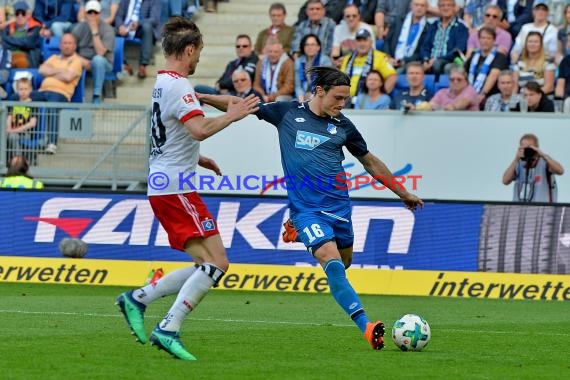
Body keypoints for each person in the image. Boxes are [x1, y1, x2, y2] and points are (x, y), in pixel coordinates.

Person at [200, 66, 424, 351]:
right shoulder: (287, 113)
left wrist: (402, 192)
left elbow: (371, 162)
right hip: (306, 210)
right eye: (338, 98)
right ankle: (366, 326)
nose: (342, 104)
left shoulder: (342, 126)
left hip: (340, 210)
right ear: (320, 91)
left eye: (346, 99)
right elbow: (241, 105)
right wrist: (201, 98)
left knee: (343, 265)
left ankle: (301, 232)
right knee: (331, 262)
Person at [115, 16, 259, 361]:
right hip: (175, 189)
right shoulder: (179, 87)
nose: (197, 61)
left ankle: (140, 299)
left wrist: (198, 157)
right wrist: (233, 116)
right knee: (217, 263)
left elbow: (173, 131)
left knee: (206, 263)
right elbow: (197, 128)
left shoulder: (164, 82)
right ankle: (168, 327)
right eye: (197, 54)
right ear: (190, 49)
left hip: (168, 184)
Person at [34, 32, 82, 154]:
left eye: (69, 43)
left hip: (61, 94)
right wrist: (61, 70)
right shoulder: (54, 57)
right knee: (20, 98)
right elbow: (41, 70)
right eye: (64, 43)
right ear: (60, 45)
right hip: (43, 91)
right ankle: (28, 139)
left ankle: (52, 143)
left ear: (74, 46)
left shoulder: (76, 61)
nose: (66, 46)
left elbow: (67, 77)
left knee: (52, 106)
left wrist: (51, 71)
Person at [72, 0, 115, 103]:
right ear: (85, 14)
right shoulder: (79, 27)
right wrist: (81, 60)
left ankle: (96, 95)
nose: (92, 15)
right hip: (83, 61)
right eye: (89, 12)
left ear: (100, 14)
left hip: (104, 63)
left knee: (98, 60)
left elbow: (100, 52)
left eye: (95, 12)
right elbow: (69, 48)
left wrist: (94, 31)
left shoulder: (108, 29)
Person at [340, 28, 397, 105]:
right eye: (359, 41)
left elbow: (392, 77)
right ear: (355, 43)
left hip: (367, 102)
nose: (362, 43)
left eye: (365, 40)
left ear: (371, 42)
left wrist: (379, 97)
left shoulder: (380, 57)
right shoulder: (347, 59)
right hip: (346, 101)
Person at [502, 133, 564, 203]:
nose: (527, 150)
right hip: (520, 210)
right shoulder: (518, 164)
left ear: (537, 148)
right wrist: (516, 159)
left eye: (530, 148)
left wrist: (542, 155)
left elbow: (560, 171)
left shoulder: (544, 163)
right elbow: (505, 181)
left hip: (543, 210)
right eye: (524, 148)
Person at [419, 0, 468, 77]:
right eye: (443, 5)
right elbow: (425, 47)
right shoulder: (433, 26)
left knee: (437, 64)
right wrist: (426, 60)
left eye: (449, 5)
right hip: (430, 60)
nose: (446, 8)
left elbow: (458, 50)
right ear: (439, 8)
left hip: (447, 61)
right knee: (410, 67)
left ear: (454, 8)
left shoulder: (461, 28)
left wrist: (436, 59)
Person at [114, 0, 160, 79]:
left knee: (147, 27)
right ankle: (124, 64)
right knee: (110, 31)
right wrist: (120, 26)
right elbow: (118, 16)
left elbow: (154, 19)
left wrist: (138, 23)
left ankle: (143, 65)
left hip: (140, 28)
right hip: (124, 28)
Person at [463, 26, 508, 107]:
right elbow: (463, 73)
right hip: (470, 93)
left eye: (488, 38)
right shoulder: (474, 55)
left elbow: (493, 75)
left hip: (490, 95)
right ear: (479, 40)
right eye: (483, 38)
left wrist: (483, 94)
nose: (485, 41)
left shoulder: (500, 57)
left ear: (494, 41)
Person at [387, 0, 429, 71]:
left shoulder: (428, 28)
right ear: (411, 6)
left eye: (422, 5)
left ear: (426, 8)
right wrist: (389, 57)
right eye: (416, 5)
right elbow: (387, 41)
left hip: (410, 62)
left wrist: (404, 61)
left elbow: (422, 51)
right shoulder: (399, 20)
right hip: (391, 58)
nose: (419, 8)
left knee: (399, 72)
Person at [511, 31, 555, 95]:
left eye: (536, 42)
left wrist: (532, 96)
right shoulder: (519, 62)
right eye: (530, 41)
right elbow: (515, 87)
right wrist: (512, 103)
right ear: (526, 44)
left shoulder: (548, 63)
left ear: (541, 45)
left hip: (542, 97)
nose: (532, 44)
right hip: (523, 99)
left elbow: (549, 87)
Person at [5, 77, 38, 164]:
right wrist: (8, 128)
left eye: (26, 89)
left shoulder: (33, 104)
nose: (23, 92)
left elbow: (32, 123)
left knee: (13, 136)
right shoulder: (14, 102)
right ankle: (5, 160)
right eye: (21, 89)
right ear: (17, 90)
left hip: (25, 133)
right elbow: (9, 117)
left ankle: (18, 161)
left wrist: (14, 130)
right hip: (11, 130)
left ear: (30, 89)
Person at [2, 1, 42, 68]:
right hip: (8, 58)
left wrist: (10, 42)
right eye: (17, 14)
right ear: (14, 16)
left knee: (20, 62)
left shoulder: (35, 28)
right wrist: (22, 43)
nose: (20, 16)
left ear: (28, 15)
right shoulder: (8, 28)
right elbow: (4, 43)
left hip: (26, 59)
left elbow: (29, 43)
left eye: (23, 13)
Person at [295, 33, 332, 101]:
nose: (310, 47)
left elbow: (327, 83)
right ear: (303, 47)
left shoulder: (325, 60)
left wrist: (315, 95)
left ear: (318, 47)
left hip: (320, 95)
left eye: (312, 44)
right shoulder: (298, 61)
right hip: (304, 95)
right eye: (307, 45)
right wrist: (301, 98)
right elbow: (298, 86)